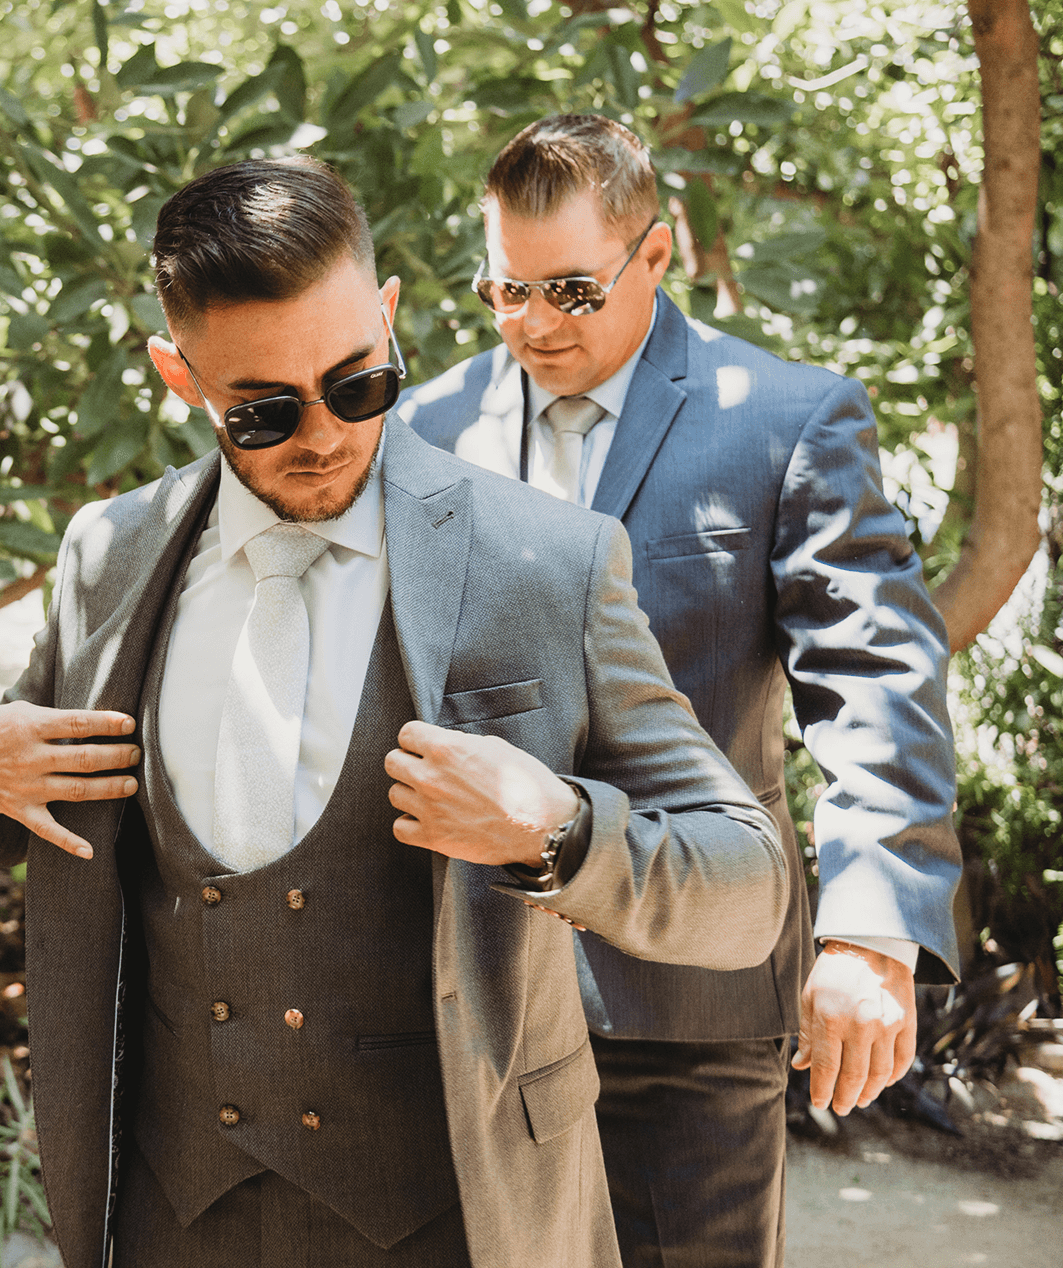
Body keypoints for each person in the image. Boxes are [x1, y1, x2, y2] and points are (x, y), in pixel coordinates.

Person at [0, 157, 790, 1268]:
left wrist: (557, 831)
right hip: (175, 1219)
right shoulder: (108, 556)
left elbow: (746, 887)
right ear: (179, 375)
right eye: (264, 410)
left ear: (387, 315)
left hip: (460, 1220)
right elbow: (31, 795)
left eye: (357, 382)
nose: (323, 434)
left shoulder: (544, 564)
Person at [398, 114, 960, 1267]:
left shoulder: (788, 419)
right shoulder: (422, 429)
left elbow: (873, 678)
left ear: (654, 254)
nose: (534, 323)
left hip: (688, 1000)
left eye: (570, 289)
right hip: (472, 999)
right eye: (505, 291)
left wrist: (872, 932)